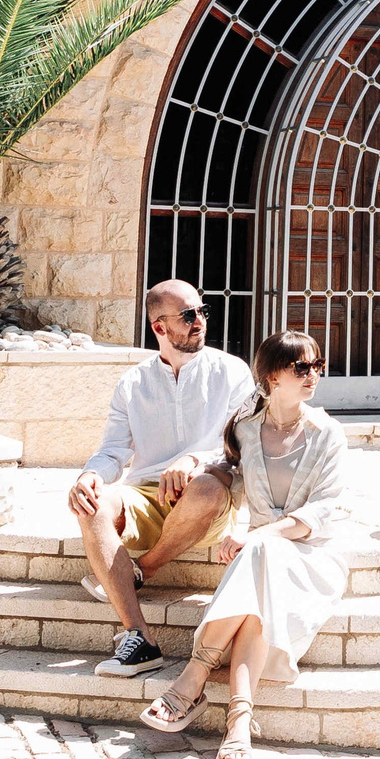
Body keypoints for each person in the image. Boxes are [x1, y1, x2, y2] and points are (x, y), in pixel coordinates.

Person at [138, 330, 350, 759]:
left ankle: (192, 680)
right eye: (301, 368)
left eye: (318, 365)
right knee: (261, 569)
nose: (313, 375)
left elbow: (325, 511)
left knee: (262, 554)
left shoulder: (328, 433)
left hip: (311, 555)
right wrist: (197, 468)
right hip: (262, 558)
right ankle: (239, 723)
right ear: (272, 376)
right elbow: (228, 470)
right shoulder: (245, 429)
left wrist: (258, 536)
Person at [69, 280, 255, 678]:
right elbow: (113, 451)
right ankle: (139, 639)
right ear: (159, 327)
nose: (199, 322)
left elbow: (242, 447)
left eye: (201, 312)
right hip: (146, 498)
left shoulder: (232, 372)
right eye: (188, 316)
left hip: (208, 496)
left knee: (205, 486)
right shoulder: (133, 383)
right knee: (93, 503)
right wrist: (88, 476)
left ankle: (144, 570)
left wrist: (195, 460)